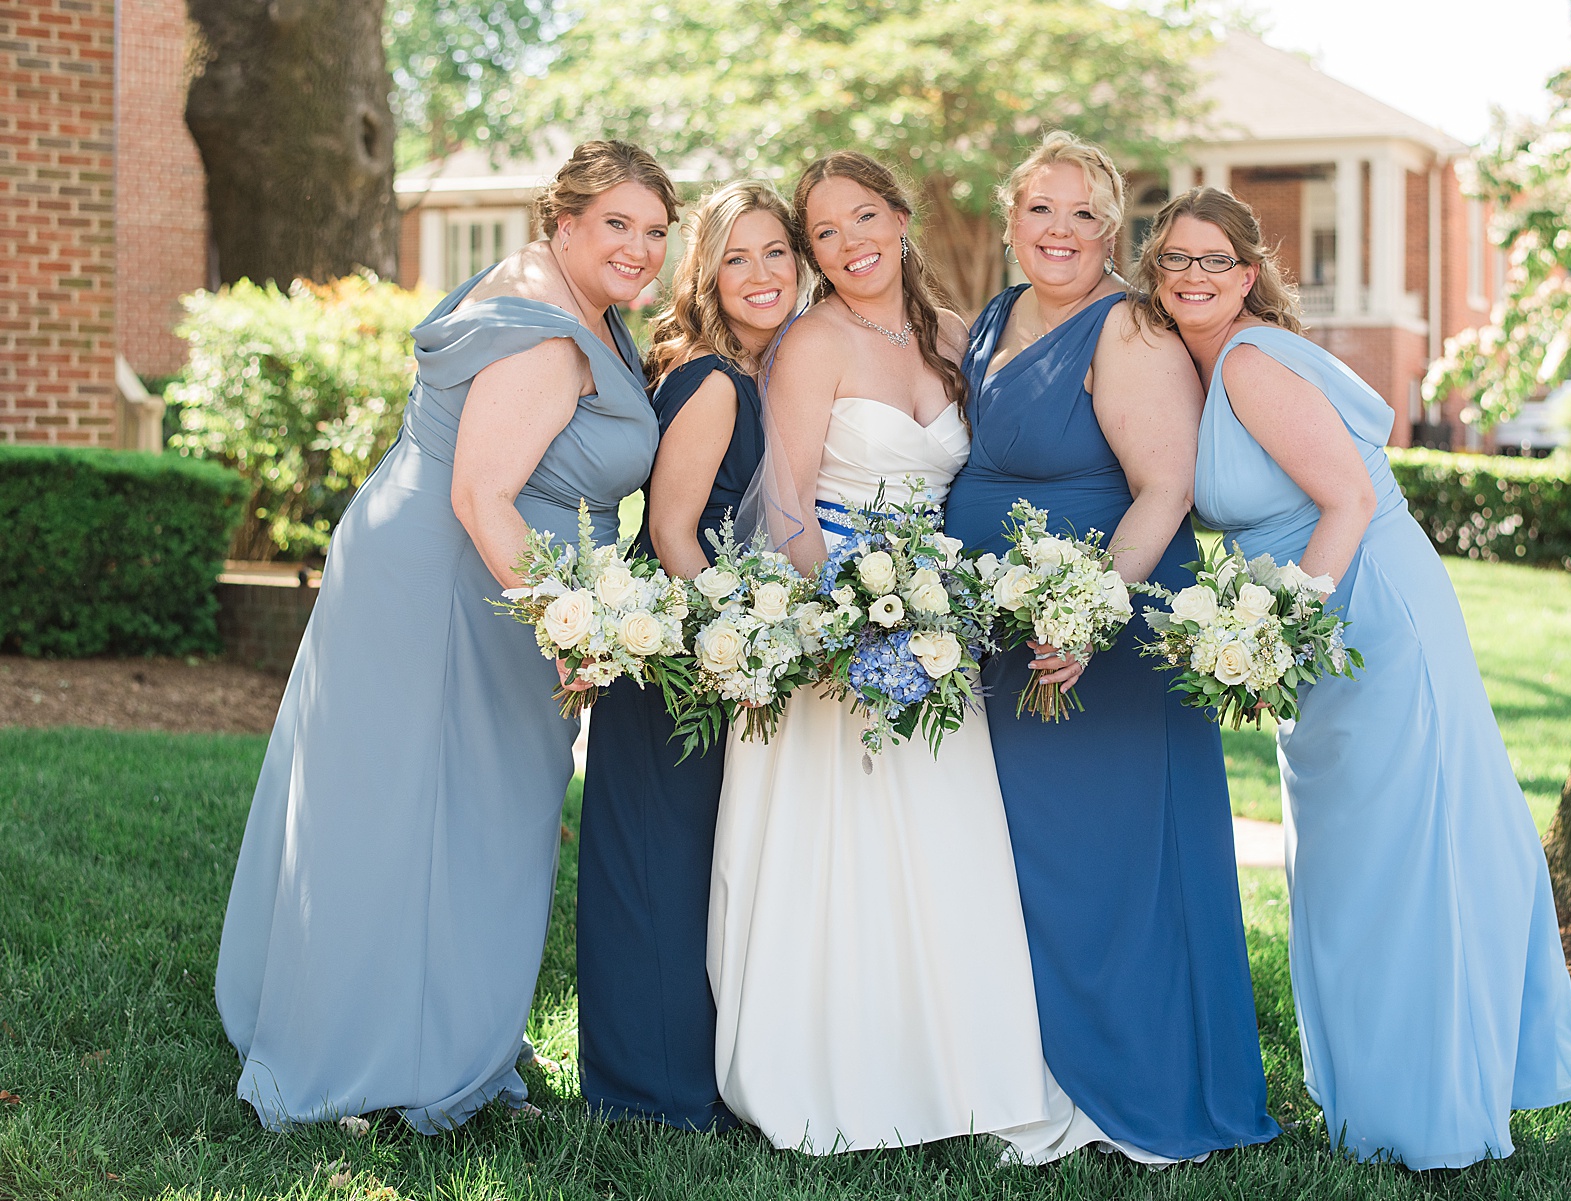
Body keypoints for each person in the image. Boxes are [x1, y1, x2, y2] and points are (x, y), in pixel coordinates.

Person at [214, 140, 676, 1133]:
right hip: (456, 586)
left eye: (655, 232)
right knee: (407, 817)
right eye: (618, 225)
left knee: (450, 815)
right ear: (564, 221)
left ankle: (436, 1031)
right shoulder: (547, 334)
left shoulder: (563, 296)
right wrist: (566, 621)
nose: (640, 249)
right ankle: (362, 1055)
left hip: (462, 576)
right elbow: (481, 492)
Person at [1143, 185, 1571, 1168]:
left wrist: (1277, 632)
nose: (1191, 276)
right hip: (1318, 616)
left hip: (1365, 609)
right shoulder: (1205, 362)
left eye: (1212, 259)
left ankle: (1427, 1113)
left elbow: (1346, 498)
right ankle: (1370, 1100)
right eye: (1174, 259)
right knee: (1351, 864)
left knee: (1401, 857)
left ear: (1249, 274)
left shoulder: (1253, 362)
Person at [707, 152, 1106, 1161]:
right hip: (842, 626)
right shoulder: (809, 345)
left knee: (946, 847)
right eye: (826, 234)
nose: (850, 246)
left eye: (865, 219)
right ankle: (835, 1068)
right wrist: (847, 620)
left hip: (941, 626)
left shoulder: (954, 337)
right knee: (840, 857)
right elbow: (788, 499)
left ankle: (963, 1070)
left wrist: (937, 609)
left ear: (900, 217)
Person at [942, 132, 1278, 1162]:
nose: (1061, 230)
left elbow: (1166, 490)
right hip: (1013, 637)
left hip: (1100, 633)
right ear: (1010, 219)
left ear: (1112, 230)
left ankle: (1128, 1095)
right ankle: (1038, 1079)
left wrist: (1084, 618)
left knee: (1109, 862)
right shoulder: (993, 318)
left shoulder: (1129, 328)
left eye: (1085, 213)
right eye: (1041, 208)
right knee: (1033, 865)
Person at [576, 181, 804, 1130]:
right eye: (736, 256)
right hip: (675, 646)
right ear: (707, 272)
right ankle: (650, 1093)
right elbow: (672, 530)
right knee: (656, 865)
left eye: (776, 254)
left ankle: (685, 1073)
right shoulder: (713, 379)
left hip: (711, 642)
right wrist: (732, 642)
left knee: (694, 863)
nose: (760, 275)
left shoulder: (763, 373)